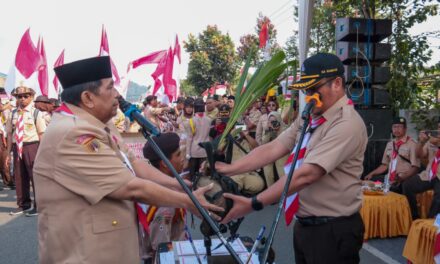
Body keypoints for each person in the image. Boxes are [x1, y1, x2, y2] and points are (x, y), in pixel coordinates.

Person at [33, 56, 222, 264]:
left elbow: (133, 162)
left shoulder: (99, 123)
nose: (118, 95)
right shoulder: (71, 132)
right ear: (88, 98)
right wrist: (189, 201)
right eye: (111, 88)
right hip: (85, 254)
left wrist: (177, 183)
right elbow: (131, 187)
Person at [216, 53, 368, 263]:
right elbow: (273, 148)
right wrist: (229, 169)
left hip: (333, 229)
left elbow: (306, 175)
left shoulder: (346, 124)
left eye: (314, 89)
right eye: (306, 90)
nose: (309, 96)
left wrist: (253, 203)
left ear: (337, 83)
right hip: (306, 224)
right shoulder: (312, 116)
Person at [141, 132, 186, 263]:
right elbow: (162, 248)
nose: (182, 158)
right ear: (164, 164)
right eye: (178, 154)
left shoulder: (164, 187)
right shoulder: (165, 203)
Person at [7, 86, 46, 216]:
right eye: (19, 96)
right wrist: (7, 154)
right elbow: (9, 133)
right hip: (17, 147)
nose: (22, 99)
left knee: (35, 177)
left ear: (31, 97)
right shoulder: (13, 113)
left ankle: (39, 206)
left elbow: (41, 134)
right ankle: (23, 204)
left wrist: (43, 153)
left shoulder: (36, 113)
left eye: (26, 96)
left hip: (32, 146)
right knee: (19, 177)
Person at [364, 117, 420, 193]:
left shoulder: (412, 144)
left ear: (405, 129)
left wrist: (402, 178)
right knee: (368, 183)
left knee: (393, 189)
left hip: (404, 178)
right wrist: (371, 173)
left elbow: (415, 168)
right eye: (394, 127)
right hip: (390, 178)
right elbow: (385, 165)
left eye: (399, 127)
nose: (396, 129)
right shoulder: (390, 144)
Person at [402, 118, 440, 219]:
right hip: (430, 174)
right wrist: (421, 142)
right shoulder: (432, 141)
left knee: (438, 196)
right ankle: (415, 217)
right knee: (407, 186)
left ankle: (430, 222)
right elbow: (420, 154)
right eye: (439, 127)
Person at [186, 98, 211, 181]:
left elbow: (189, 138)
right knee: (203, 173)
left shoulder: (190, 121)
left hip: (194, 150)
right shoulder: (209, 120)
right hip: (205, 149)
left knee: (192, 173)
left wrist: (187, 153)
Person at [0, 98, 13, 189]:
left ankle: (8, 181)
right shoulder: (4, 107)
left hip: (3, 136)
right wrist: (8, 104)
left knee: (4, 159)